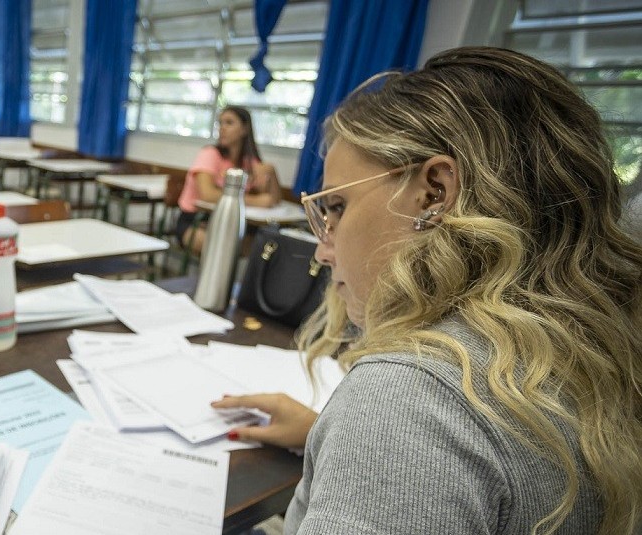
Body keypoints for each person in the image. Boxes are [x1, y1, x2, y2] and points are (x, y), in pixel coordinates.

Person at [210, 47, 642, 534]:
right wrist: (329, 439)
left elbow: (431, 435)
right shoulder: (593, 356)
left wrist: (380, 439)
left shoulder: (406, 400)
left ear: (435, 193)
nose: (322, 252)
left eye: (335, 208)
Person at [175, 105, 282, 253]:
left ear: (245, 129)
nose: (222, 128)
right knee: (225, 249)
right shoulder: (210, 154)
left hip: (234, 224)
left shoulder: (248, 162)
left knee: (266, 247)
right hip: (197, 222)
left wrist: (272, 171)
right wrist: (256, 201)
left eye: (229, 123)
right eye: (220, 123)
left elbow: (273, 200)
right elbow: (208, 194)